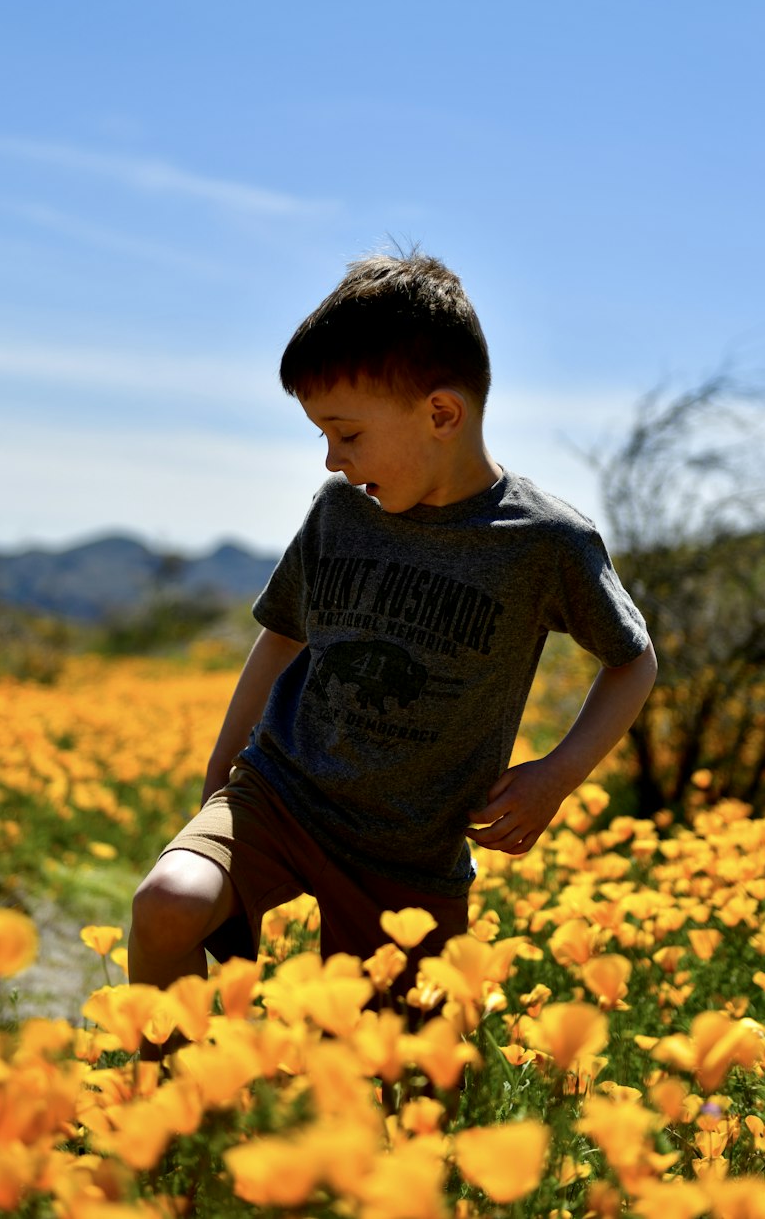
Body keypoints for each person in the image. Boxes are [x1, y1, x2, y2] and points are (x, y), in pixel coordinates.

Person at [128, 250, 656, 1026]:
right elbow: (282, 635)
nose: (334, 460)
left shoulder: (544, 542)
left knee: (389, 1090)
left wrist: (556, 776)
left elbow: (632, 661)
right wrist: (223, 762)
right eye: (322, 437)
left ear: (441, 414)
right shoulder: (339, 511)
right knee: (168, 902)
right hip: (281, 794)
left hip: (408, 852)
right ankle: (169, 1115)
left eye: (346, 434)